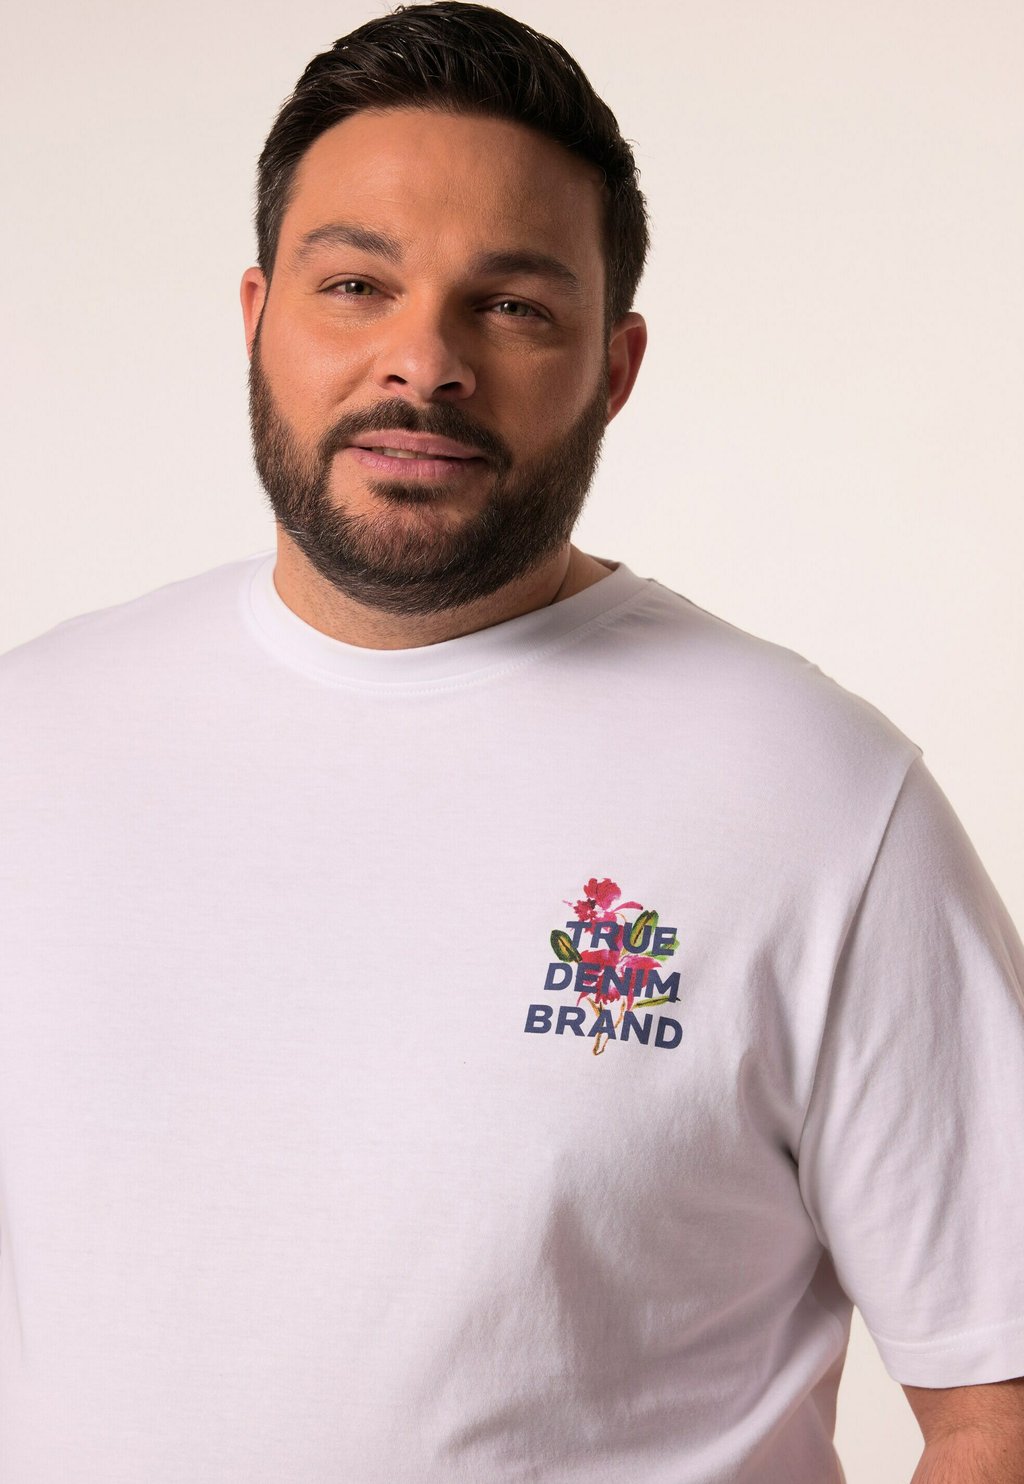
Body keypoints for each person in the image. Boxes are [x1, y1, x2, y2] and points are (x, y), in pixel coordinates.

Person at [1, 3, 1021, 1480]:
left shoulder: (817, 800)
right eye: (357, 284)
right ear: (258, 315)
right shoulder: (33, 742)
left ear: (616, 365)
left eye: (515, 306)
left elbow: (999, 1399)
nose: (423, 361)